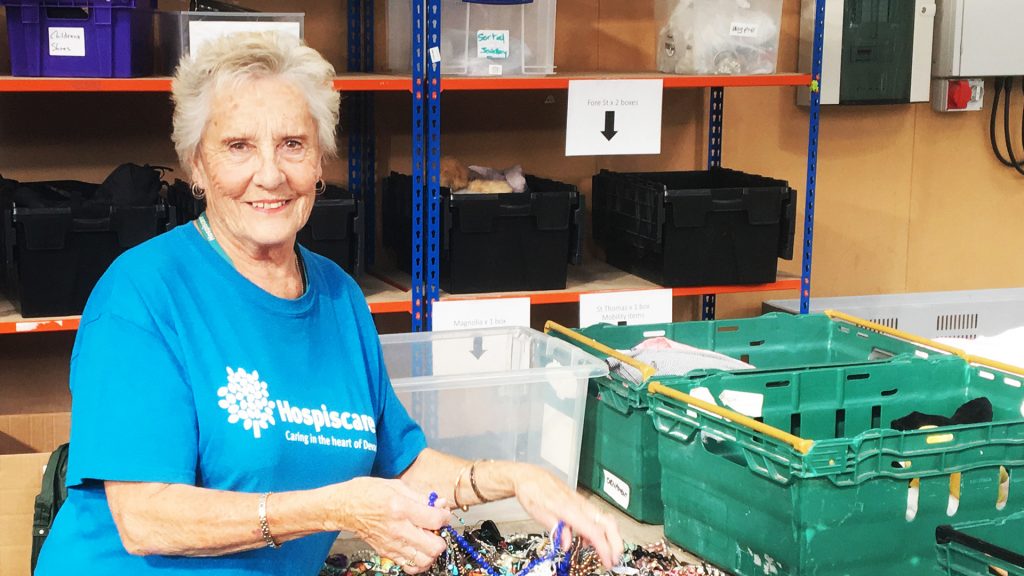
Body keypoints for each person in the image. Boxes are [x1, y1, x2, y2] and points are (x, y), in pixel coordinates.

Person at [34, 32, 623, 576]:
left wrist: (519, 479)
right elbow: (146, 519)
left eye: (293, 144)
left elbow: (406, 466)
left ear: (320, 165)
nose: (270, 174)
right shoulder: (142, 294)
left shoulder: (340, 297)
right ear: (197, 165)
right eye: (239, 146)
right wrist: (333, 507)